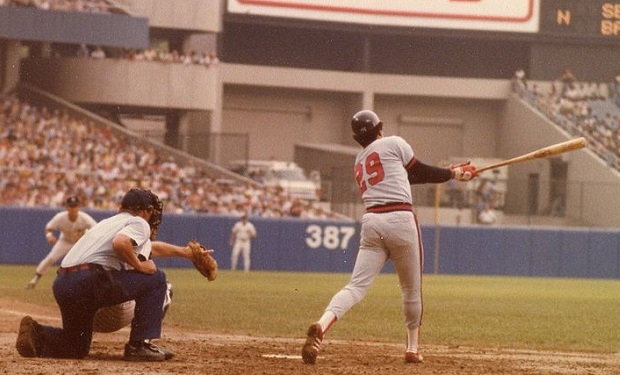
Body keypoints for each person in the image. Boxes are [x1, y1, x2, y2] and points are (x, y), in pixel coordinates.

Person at [300, 110, 478, 365]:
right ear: (379, 127)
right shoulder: (394, 142)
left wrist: (452, 172)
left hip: (372, 222)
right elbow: (421, 172)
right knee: (411, 289)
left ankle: (322, 323)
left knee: (355, 287)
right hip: (400, 219)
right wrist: (454, 174)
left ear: (356, 138)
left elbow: (406, 177)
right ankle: (412, 348)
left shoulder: (359, 160)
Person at [15, 188, 214, 361]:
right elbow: (121, 243)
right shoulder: (139, 222)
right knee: (156, 279)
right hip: (90, 280)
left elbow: (150, 248)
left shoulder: (107, 223)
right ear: (144, 211)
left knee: (76, 346)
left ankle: (36, 334)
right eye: (152, 212)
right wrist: (139, 266)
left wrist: (185, 253)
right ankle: (140, 345)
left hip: (64, 283)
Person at [26, 195, 97, 289]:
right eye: (71, 206)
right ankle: (35, 279)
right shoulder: (60, 217)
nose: (73, 208)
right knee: (51, 258)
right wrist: (49, 236)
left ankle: (91, 284)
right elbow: (49, 227)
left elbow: (96, 229)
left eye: (75, 206)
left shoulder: (85, 218)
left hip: (80, 243)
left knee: (88, 262)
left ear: (78, 207)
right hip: (65, 241)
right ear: (66, 207)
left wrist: (86, 238)